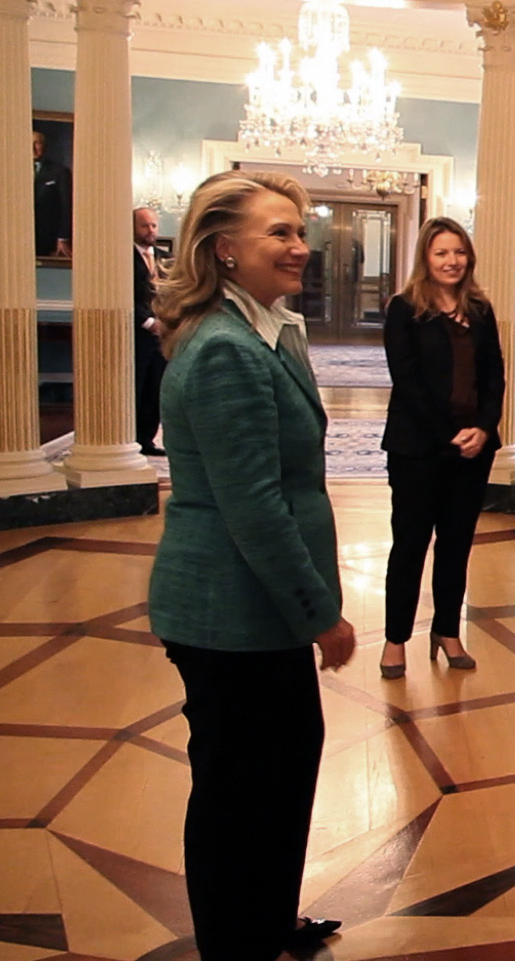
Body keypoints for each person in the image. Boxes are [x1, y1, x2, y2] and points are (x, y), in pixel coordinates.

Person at [145, 171, 352, 960]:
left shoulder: (264, 328)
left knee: (279, 769)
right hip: (229, 612)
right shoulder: (227, 349)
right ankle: (236, 942)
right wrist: (319, 615)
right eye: (281, 233)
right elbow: (254, 507)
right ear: (225, 249)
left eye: (301, 232)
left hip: (252, 612)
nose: (302, 247)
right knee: (239, 791)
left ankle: (264, 921)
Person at [376, 217, 505, 679]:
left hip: (474, 450)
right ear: (425, 259)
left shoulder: (481, 309)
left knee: (457, 545)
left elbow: (495, 378)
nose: (452, 261)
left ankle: (448, 631)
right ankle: (395, 640)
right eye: (441, 253)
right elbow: (406, 382)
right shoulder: (404, 309)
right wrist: (449, 434)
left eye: (459, 252)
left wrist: (485, 429)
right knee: (410, 545)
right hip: (418, 449)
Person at [133, 206, 168, 455]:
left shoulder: (166, 257)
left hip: (164, 334)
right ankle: (132, 439)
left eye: (154, 225)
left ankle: (147, 440)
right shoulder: (123, 257)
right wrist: (148, 322)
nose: (151, 230)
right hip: (137, 333)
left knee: (157, 387)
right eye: (145, 225)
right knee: (138, 386)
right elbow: (123, 297)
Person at [33, 128, 72, 258]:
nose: (33, 148)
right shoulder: (13, 171)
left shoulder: (59, 172)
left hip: (49, 238)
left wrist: (63, 237)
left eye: (37, 143)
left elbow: (66, 205)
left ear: (44, 146)